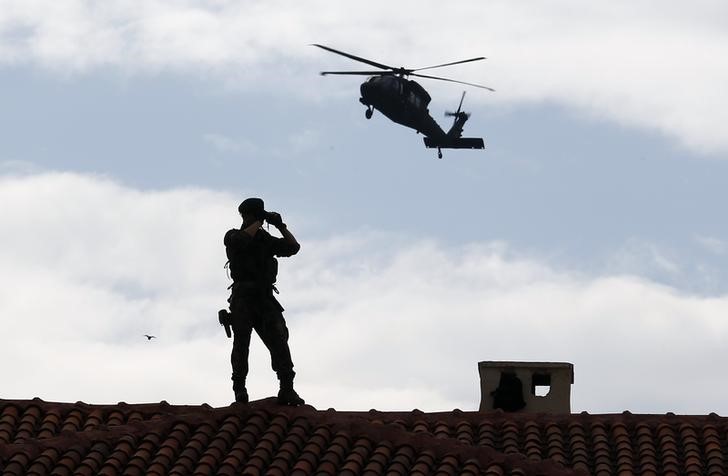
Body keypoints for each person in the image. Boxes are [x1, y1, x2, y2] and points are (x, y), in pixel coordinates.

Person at [223, 197, 304, 405]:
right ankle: (239, 388)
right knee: (242, 343)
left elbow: (293, 247)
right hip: (243, 298)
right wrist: (258, 222)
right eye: (253, 214)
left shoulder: (264, 240)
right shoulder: (233, 236)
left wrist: (280, 226)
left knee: (279, 338)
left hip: (264, 298)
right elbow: (241, 242)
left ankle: (287, 387)